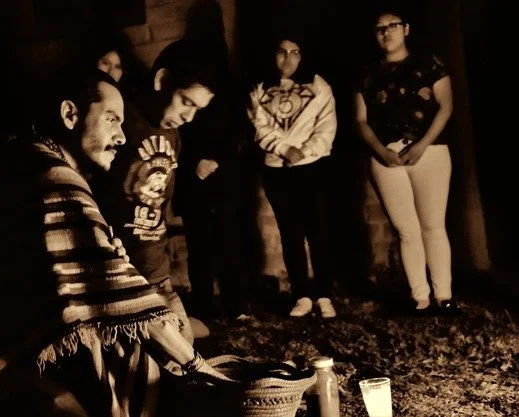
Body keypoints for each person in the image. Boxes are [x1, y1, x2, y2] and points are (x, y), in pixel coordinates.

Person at [0, 68, 220, 417]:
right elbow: (127, 301)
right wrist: (200, 370)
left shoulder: (24, 158)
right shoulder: (52, 178)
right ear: (70, 114)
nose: (121, 137)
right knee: (116, 376)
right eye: (112, 120)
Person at [89, 39, 218, 344]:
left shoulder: (173, 134)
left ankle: (184, 324)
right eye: (186, 102)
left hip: (156, 271)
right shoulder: (123, 122)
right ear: (162, 80)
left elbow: (160, 201)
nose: (189, 117)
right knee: (159, 352)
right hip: (120, 272)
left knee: (188, 338)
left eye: (198, 109)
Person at [353, 7, 460, 314]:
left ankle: (444, 296)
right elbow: (360, 121)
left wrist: (421, 146)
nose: (386, 32)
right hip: (387, 157)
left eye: (393, 25)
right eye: (380, 28)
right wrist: (381, 151)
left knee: (433, 225)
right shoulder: (367, 73)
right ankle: (420, 299)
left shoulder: (430, 63)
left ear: (406, 29)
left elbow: (446, 106)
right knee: (407, 230)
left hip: (430, 152)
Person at [247, 31, 338, 318]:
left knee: (319, 231)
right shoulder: (260, 89)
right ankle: (302, 296)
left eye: (295, 52)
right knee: (291, 234)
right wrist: (285, 150)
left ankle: (324, 295)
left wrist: (304, 152)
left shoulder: (318, 85)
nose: (288, 58)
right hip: (277, 170)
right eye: (282, 51)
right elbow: (259, 127)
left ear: (303, 56)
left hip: (313, 167)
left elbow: (327, 127)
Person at [172, 2, 253, 321]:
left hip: (223, 171)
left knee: (228, 238)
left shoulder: (227, 74)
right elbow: (177, 125)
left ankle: (235, 304)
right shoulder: (183, 67)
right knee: (199, 242)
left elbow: (240, 125)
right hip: (193, 171)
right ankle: (204, 306)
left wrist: (217, 159)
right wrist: (194, 162)